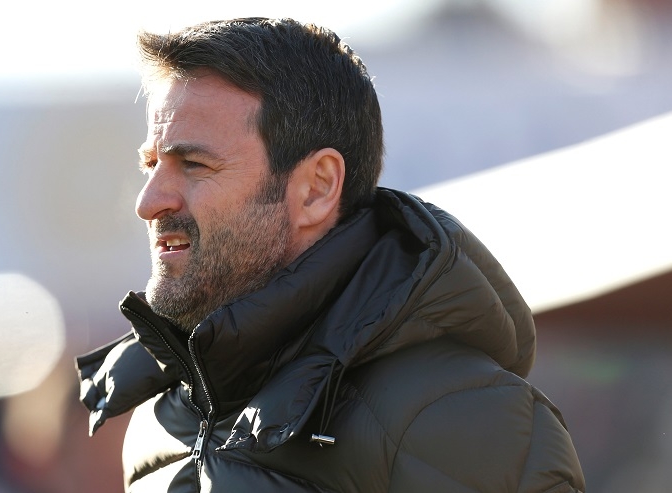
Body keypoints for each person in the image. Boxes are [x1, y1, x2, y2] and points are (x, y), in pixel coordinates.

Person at [76, 17, 585, 492]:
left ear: (317, 188)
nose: (149, 202)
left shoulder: (465, 421)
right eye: (151, 164)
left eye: (193, 163)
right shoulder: (160, 419)